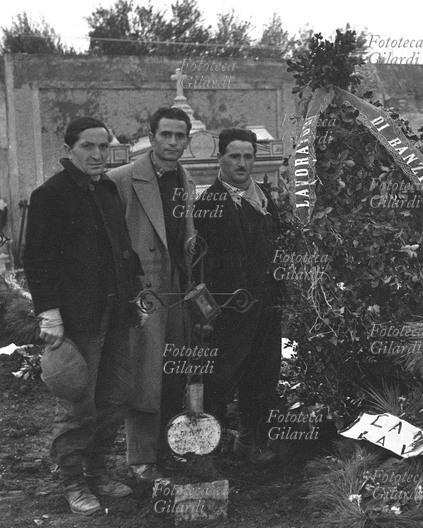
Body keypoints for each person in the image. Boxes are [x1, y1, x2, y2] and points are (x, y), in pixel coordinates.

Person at [24, 117, 145, 515]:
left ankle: (98, 472)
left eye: (103, 147)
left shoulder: (108, 189)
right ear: (70, 149)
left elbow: (123, 249)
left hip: (116, 312)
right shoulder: (51, 195)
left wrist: (136, 293)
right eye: (88, 147)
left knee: (117, 397)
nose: (97, 155)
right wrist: (49, 314)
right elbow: (37, 262)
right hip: (78, 319)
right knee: (78, 402)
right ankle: (73, 482)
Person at [108, 107, 195, 484]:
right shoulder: (122, 179)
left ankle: (167, 450)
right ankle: (141, 459)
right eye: (166, 135)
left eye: (180, 136)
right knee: (144, 374)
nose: (173, 143)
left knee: (173, 371)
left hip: (177, 289)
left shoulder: (186, 179)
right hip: (143, 293)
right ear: (152, 136)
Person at [193, 128, 283, 463]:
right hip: (228, 311)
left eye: (248, 156)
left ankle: (250, 440)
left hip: (266, 305)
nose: (242, 163)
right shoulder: (209, 204)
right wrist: (204, 315)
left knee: (263, 374)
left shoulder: (263, 197)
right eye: (234, 156)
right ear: (220, 158)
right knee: (220, 379)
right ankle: (208, 453)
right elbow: (199, 266)